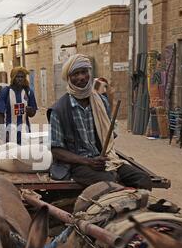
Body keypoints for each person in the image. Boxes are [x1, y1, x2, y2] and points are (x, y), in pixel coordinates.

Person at [49, 54, 152, 190]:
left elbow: (109, 134)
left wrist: (109, 138)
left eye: (84, 72)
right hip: (78, 165)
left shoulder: (101, 102)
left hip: (106, 160)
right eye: (75, 74)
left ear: (89, 74)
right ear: (68, 78)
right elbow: (56, 150)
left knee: (143, 178)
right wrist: (88, 161)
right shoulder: (59, 110)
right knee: (111, 183)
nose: (81, 77)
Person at [0, 67, 37, 145]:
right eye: (18, 77)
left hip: (25, 131)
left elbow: (32, 113)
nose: (20, 79)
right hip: (9, 131)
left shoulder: (29, 92)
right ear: (13, 78)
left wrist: (31, 111)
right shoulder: (5, 92)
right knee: (11, 155)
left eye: (22, 77)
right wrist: (3, 133)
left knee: (24, 155)